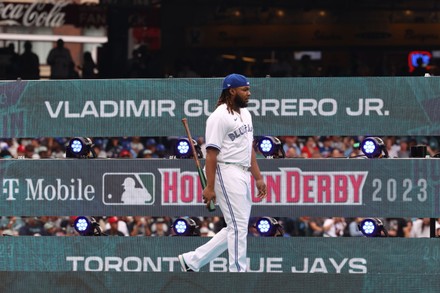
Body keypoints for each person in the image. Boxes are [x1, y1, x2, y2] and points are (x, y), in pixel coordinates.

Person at [178, 73, 267, 272]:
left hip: (243, 171)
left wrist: (258, 177)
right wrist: (210, 187)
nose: (249, 93)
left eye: (248, 89)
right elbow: (211, 155)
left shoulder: (246, 114)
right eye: (244, 90)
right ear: (232, 91)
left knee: (237, 226)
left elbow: (248, 148)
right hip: (226, 170)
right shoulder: (218, 117)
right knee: (238, 227)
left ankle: (192, 260)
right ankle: (237, 272)